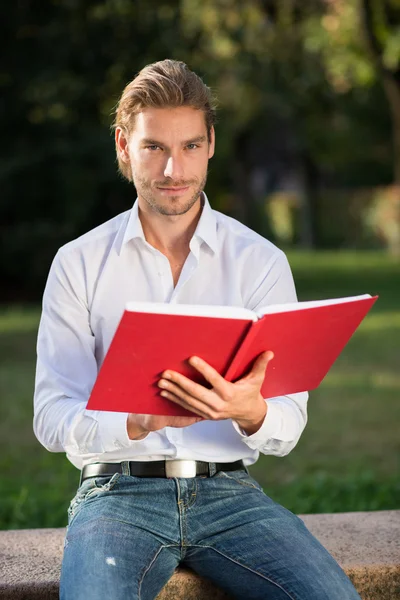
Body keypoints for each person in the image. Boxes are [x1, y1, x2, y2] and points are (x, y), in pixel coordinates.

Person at [34, 59, 361, 600]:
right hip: (117, 494)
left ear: (210, 143)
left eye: (188, 146)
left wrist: (247, 410)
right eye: (153, 147)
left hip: (231, 494)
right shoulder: (79, 263)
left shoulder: (260, 261)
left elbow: (288, 424)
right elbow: (51, 416)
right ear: (123, 146)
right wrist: (134, 422)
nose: (172, 170)